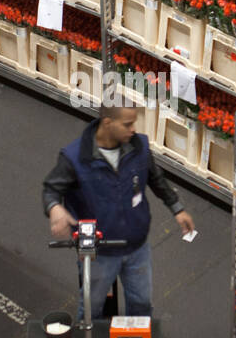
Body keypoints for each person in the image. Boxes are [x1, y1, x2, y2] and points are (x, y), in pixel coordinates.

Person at [42, 103, 195, 324]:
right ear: (107, 123)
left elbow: (156, 179)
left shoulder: (139, 147)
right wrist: (55, 208)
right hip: (98, 251)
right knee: (92, 306)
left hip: (136, 246)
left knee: (141, 303)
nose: (133, 129)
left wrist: (177, 209)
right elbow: (51, 189)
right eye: (127, 124)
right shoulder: (75, 158)